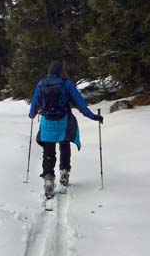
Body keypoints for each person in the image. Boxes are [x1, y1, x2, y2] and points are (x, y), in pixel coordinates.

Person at [29, 61, 103, 198]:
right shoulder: (67, 84)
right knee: (64, 145)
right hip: (63, 121)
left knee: (48, 152)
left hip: (47, 123)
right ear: (60, 72)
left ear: (49, 71)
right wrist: (93, 117)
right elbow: (81, 104)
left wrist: (32, 114)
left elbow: (33, 106)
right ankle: (64, 172)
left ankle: (48, 180)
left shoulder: (41, 84)